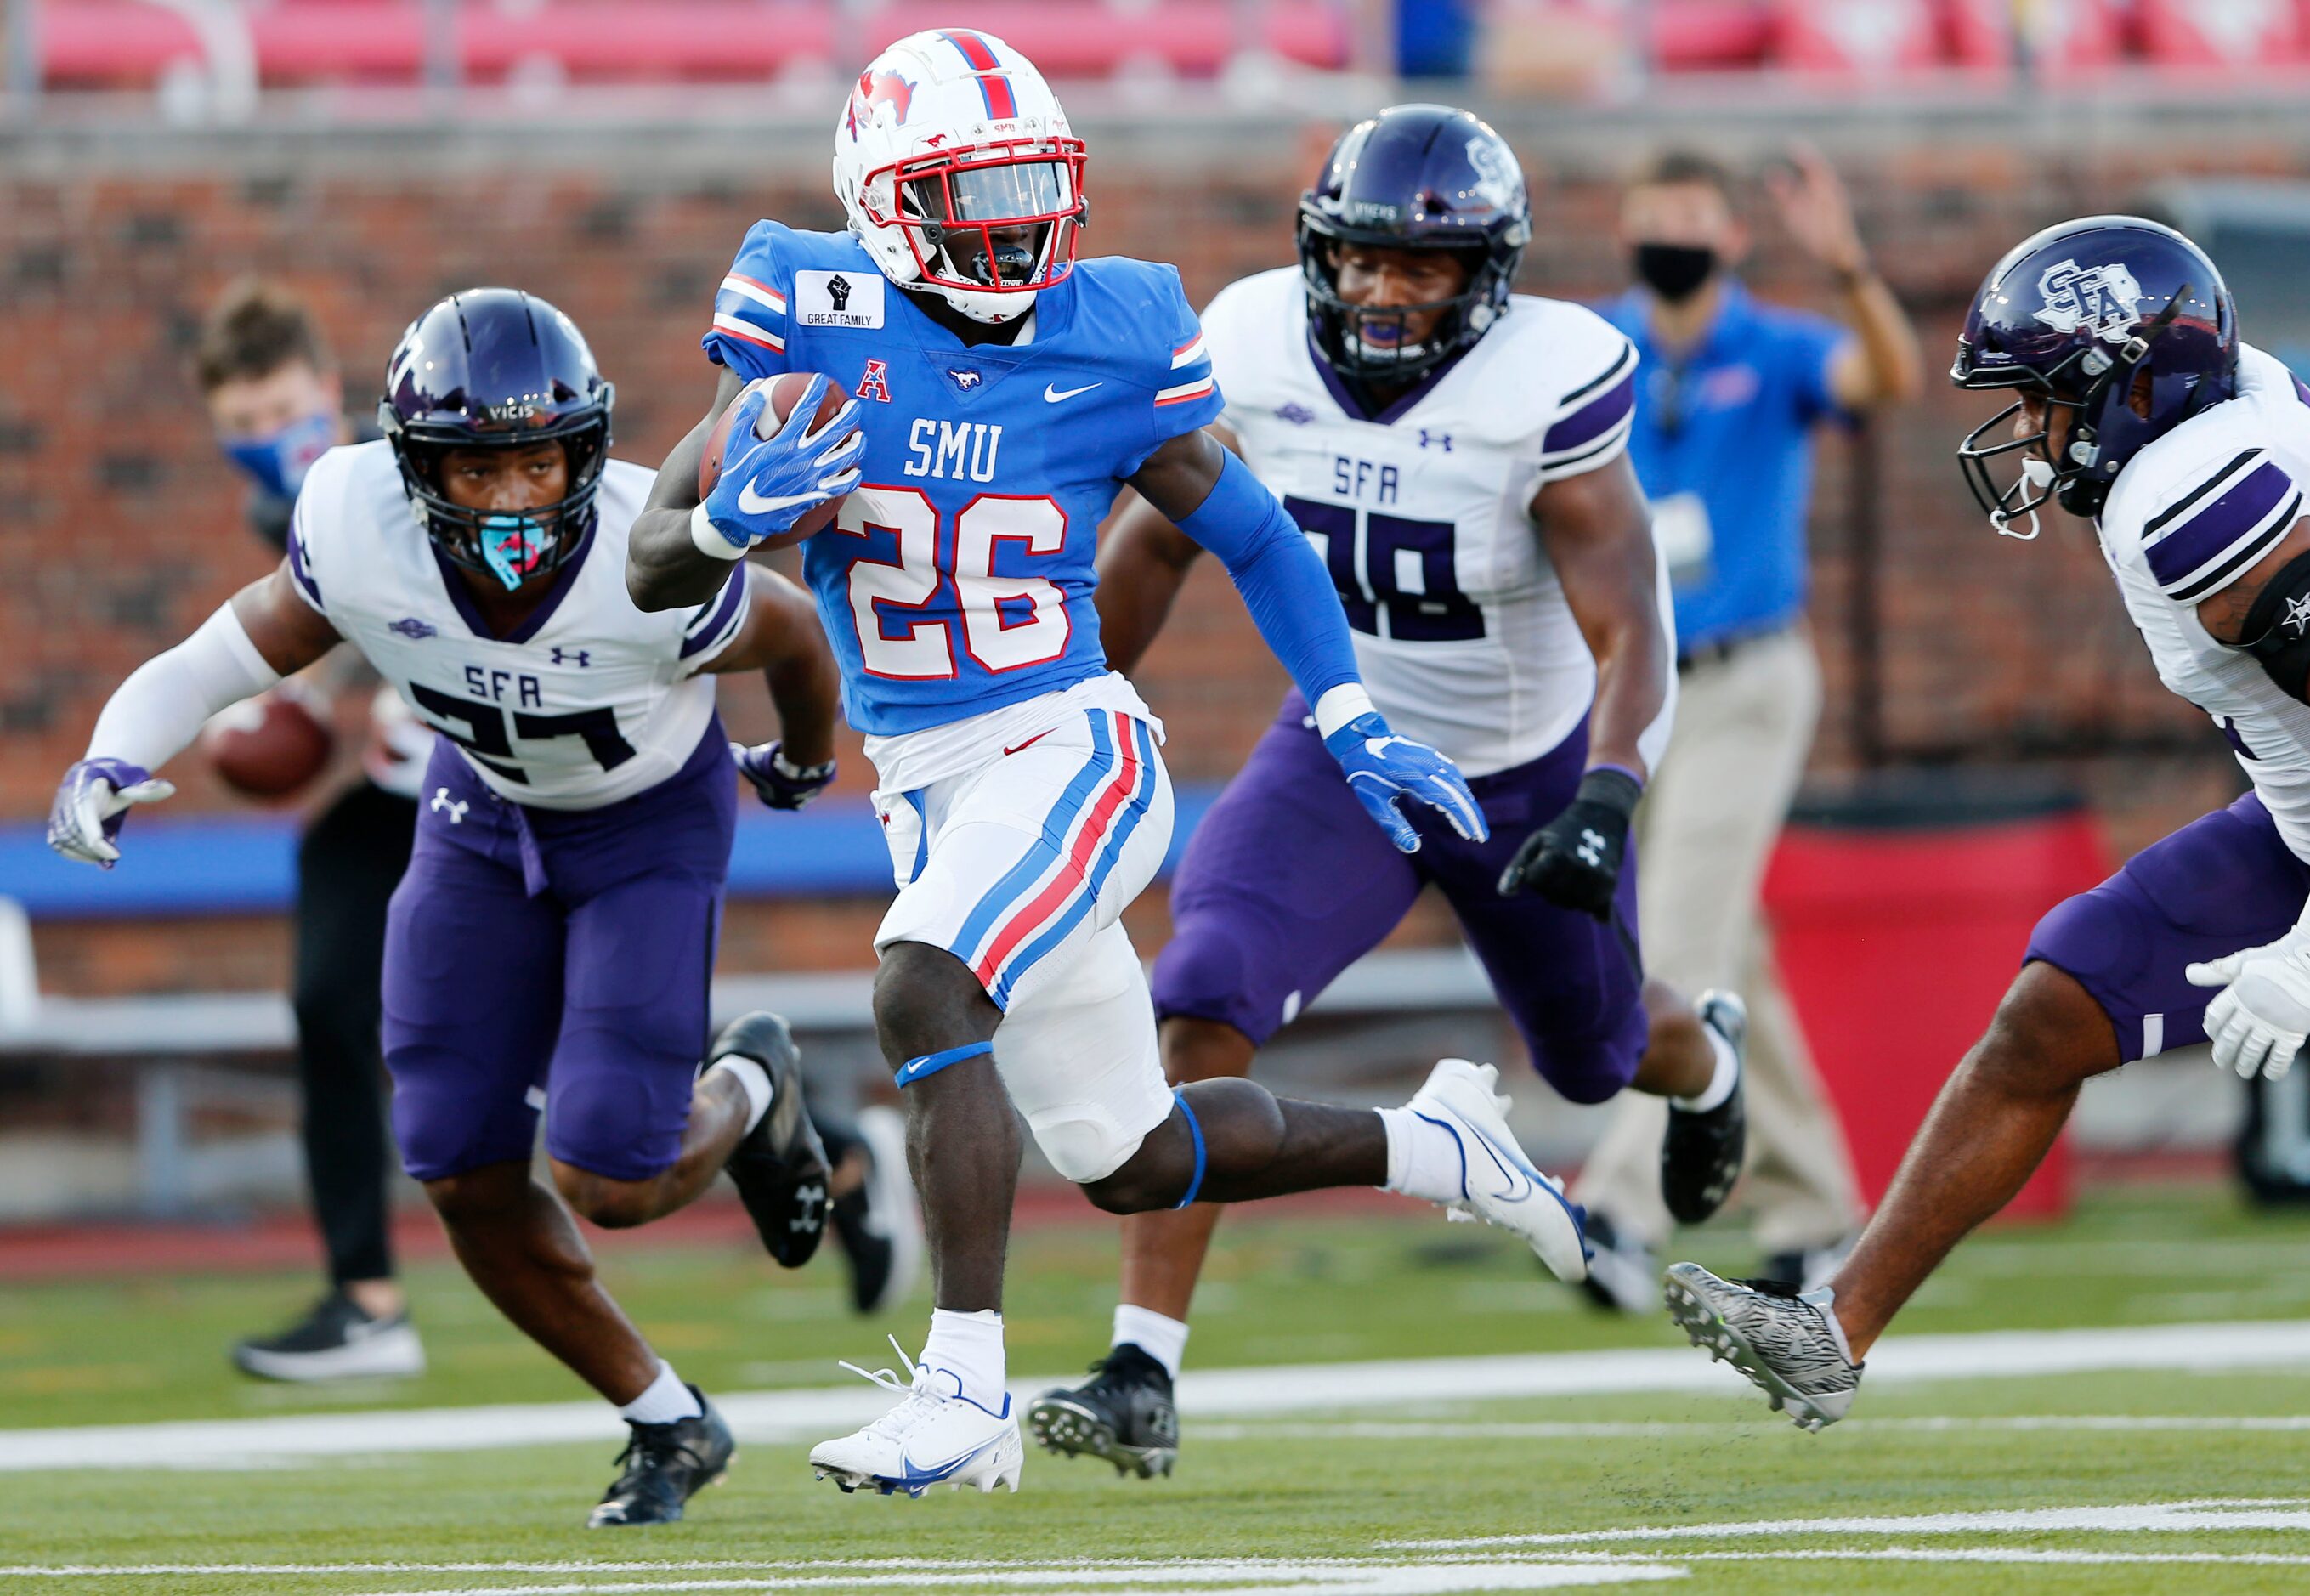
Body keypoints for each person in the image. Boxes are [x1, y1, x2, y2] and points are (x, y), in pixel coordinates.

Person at [626, 30, 1588, 1502]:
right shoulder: (805, 310)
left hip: (1071, 740)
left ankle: (965, 1388)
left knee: (920, 976)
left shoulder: (1121, 324)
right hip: (925, 772)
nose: (1012, 222)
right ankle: (1440, 1143)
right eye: (972, 189)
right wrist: (711, 523)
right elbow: (646, 564)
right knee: (1127, 1150)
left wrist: (1343, 710)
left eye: (1031, 184)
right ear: (881, 200)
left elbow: (1254, 532)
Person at [1665, 217, 2310, 1429]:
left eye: (2044, 397)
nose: (2027, 431)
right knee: (2049, 1010)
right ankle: (1830, 1325)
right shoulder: (2243, 389)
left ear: (2125, 386)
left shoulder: (2184, 492)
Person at [1022, 104, 1747, 1482]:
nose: (1377, 291)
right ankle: (1140, 1366)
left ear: (1488, 276)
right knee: (1203, 991)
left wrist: (1603, 791)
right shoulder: (1245, 344)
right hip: (1347, 747)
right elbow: (1150, 549)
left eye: (1415, 268)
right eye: (1355, 260)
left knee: (1596, 1056)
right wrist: (1047, 720)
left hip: (1526, 763)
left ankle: (1704, 1061)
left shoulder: (1551, 377)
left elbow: (1628, 624)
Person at [52, 288, 852, 1527]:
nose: (517, 495)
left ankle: (751, 1083)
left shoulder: (653, 544)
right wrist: (110, 754)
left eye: (541, 459)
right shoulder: (356, 518)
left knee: (610, 1176)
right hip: (480, 812)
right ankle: (664, 1419)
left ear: (586, 448)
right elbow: (225, 653)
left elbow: (796, 634)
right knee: (458, 1159)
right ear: (419, 467)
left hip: (645, 821)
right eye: (478, 469)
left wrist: (801, 760)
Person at [1571, 144, 1922, 1307]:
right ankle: (1819, 1212)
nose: (1670, 232)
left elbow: (1889, 378)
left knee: (1669, 935)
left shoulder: (1773, 344)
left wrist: (1851, 270)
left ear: (1731, 237)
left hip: (1746, 675)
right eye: (1651, 214)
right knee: (1726, 953)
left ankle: (1615, 1210)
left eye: (1690, 216)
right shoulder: (1592, 348)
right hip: (1630, 681)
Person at [192, 280, 433, 1382]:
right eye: (237, 426)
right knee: (326, 991)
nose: (260, 441)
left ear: (326, 394)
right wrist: (272, 703)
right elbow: (346, 622)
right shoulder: (273, 511)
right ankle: (365, 1298)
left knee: (594, 1047)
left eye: (275, 412)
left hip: (530, 774)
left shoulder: (410, 461)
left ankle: (818, 1143)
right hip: (411, 776)